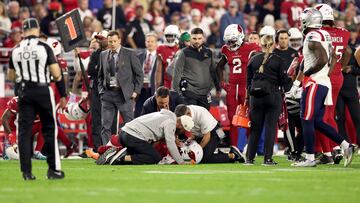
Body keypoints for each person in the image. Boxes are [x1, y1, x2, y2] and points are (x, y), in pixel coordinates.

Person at [289, 8, 355, 167]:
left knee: (306, 118)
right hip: (323, 82)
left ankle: (310, 158)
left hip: (315, 83)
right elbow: (333, 58)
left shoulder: (312, 35)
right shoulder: (325, 35)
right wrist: (327, 73)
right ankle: (346, 145)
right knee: (318, 120)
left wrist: (308, 74)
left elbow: (323, 58)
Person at [7, 18, 64, 180]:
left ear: (24, 31)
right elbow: (56, 73)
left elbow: (11, 76)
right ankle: (53, 170)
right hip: (42, 90)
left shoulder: (16, 50)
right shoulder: (44, 47)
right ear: (37, 30)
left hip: (24, 92)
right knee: (49, 129)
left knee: (24, 133)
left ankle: (26, 172)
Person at [312, 4, 351, 165]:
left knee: (320, 116)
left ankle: (329, 151)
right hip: (337, 76)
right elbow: (348, 51)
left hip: (324, 76)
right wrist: (341, 66)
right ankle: (335, 148)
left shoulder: (319, 34)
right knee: (329, 114)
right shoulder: (343, 33)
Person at [245, 34, 292, 166]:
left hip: (255, 97)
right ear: (274, 45)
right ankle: (267, 159)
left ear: (260, 44)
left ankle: (249, 158)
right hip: (272, 96)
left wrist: (249, 97)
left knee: (255, 128)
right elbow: (284, 82)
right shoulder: (279, 60)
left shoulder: (253, 60)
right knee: (270, 128)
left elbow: (248, 82)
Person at [216, 24, 261, 153]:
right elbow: (218, 67)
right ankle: (235, 148)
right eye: (228, 41)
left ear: (240, 37)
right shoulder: (226, 49)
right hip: (232, 88)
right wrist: (222, 83)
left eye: (233, 41)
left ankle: (251, 148)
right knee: (232, 120)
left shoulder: (251, 48)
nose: (230, 44)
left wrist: (253, 83)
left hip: (245, 87)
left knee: (248, 119)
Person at [98, 30, 143, 144]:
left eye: (114, 41)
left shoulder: (129, 53)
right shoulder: (103, 54)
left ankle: (130, 149)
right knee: (105, 126)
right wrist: (101, 91)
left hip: (124, 94)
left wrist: (136, 91)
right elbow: (100, 75)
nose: (112, 43)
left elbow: (139, 74)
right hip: (108, 94)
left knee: (129, 125)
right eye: (110, 41)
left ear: (119, 41)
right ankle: (106, 151)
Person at [103, 110, 193, 165]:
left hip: (123, 134)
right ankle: (122, 158)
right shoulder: (170, 123)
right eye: (183, 130)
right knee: (155, 158)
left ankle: (115, 155)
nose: (182, 133)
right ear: (180, 126)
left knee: (143, 154)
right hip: (132, 137)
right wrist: (181, 162)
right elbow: (171, 144)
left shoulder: (166, 116)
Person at [174, 104, 244, 163]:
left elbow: (207, 136)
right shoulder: (183, 114)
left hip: (215, 131)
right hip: (201, 133)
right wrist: (190, 139)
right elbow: (194, 130)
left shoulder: (201, 114)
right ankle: (219, 154)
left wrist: (197, 151)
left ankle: (233, 155)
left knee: (204, 158)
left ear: (189, 114)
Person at [173, 27, 220, 110]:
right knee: (191, 120)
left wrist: (218, 88)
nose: (197, 41)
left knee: (204, 120)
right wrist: (178, 93)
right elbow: (177, 73)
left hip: (205, 93)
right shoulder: (183, 53)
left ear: (203, 38)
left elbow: (213, 71)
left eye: (199, 38)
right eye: (194, 38)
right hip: (189, 93)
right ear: (190, 38)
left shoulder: (209, 52)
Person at [134, 32, 158, 118]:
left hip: (153, 89)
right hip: (140, 90)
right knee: (138, 115)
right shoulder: (139, 56)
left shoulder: (159, 56)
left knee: (152, 115)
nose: (150, 43)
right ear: (145, 42)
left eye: (152, 41)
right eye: (148, 41)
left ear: (156, 43)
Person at [155, 24, 180, 89]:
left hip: (180, 81)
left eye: (172, 36)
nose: (170, 38)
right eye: (168, 36)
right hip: (167, 83)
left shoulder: (182, 49)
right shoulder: (161, 48)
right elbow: (159, 71)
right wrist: (157, 88)